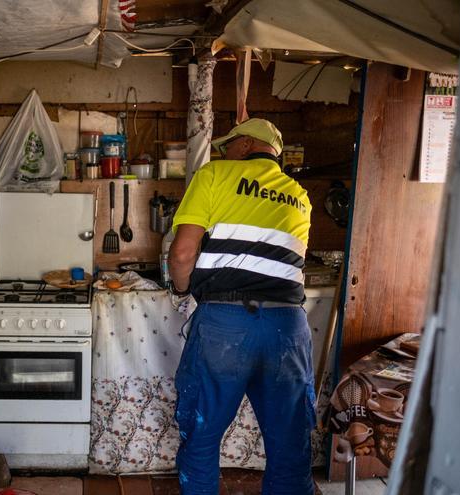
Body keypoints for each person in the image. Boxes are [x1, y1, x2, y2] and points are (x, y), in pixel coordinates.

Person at [169, 118, 315, 494]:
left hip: (226, 323)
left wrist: (182, 289)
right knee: (289, 447)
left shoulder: (215, 175)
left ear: (247, 144)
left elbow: (183, 252)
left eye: (229, 144)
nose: (223, 151)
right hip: (288, 327)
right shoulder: (300, 194)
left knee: (202, 436)